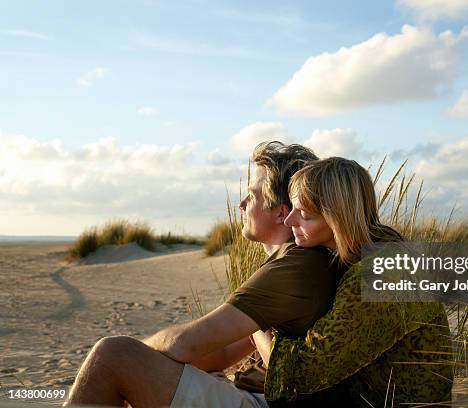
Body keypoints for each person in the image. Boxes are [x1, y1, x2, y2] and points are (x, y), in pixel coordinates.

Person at [64, 141, 344, 407]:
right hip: (251, 393)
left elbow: (184, 345)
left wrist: (138, 357)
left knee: (112, 355)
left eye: (252, 195)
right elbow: (220, 354)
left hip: (266, 403)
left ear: (282, 213)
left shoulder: (295, 267)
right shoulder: (293, 263)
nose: (242, 204)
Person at [262, 157, 453, 407]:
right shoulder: (381, 250)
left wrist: (257, 324)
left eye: (305, 214)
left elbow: (305, 372)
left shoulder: (380, 273)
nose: (290, 221)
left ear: (337, 218)